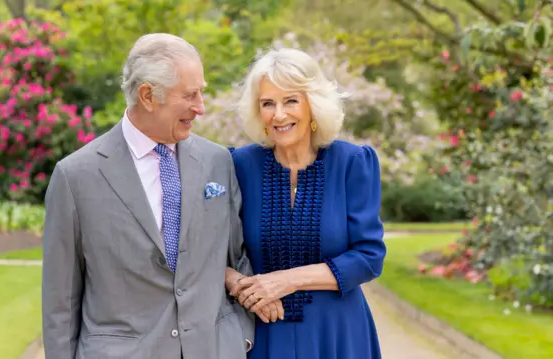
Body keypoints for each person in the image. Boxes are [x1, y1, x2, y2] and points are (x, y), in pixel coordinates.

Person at [41, 33, 256, 359]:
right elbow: (60, 301)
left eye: (202, 92)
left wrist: (239, 338)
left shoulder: (218, 162)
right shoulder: (75, 177)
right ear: (147, 96)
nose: (201, 107)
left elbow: (237, 257)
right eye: (190, 95)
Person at [226, 47, 387, 359]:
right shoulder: (237, 166)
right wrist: (243, 287)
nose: (279, 114)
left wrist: (284, 281)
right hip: (264, 332)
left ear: (313, 105)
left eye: (291, 101)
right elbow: (209, 249)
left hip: (339, 335)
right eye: (268, 103)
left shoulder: (353, 162)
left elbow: (369, 257)